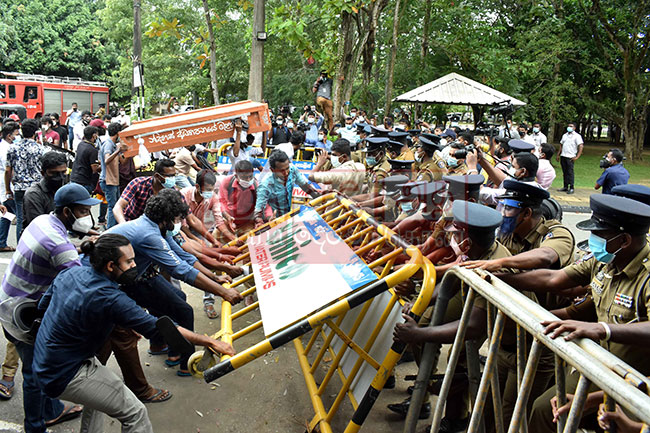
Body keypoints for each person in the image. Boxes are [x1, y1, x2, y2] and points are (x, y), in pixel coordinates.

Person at [32, 234, 235, 433]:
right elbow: (161, 328)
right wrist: (210, 341)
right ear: (110, 266)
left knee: (98, 400)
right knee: (135, 413)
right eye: (128, 261)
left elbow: (43, 307)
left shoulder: (70, 273)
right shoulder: (110, 297)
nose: (134, 266)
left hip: (45, 360)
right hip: (66, 372)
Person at [494, 194, 650, 433]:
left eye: (600, 234)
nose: (593, 240)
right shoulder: (606, 261)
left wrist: (602, 329)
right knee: (545, 410)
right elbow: (555, 278)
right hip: (595, 366)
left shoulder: (646, 275)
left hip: (633, 381)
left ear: (625, 240)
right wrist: (497, 274)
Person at [389, 200, 509, 425]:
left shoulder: (492, 268)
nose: (451, 236)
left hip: (510, 336)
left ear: (467, 241)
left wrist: (418, 334)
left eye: (456, 234)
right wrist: (418, 299)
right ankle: (425, 391)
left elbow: (474, 325)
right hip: (471, 302)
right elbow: (450, 283)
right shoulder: (473, 251)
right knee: (424, 324)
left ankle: (455, 419)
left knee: (463, 364)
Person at [106, 189, 243, 376]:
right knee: (182, 310)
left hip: (141, 275)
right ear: (167, 217)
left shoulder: (158, 228)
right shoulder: (149, 234)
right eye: (178, 218)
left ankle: (163, 346)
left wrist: (215, 278)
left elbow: (184, 257)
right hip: (122, 282)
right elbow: (180, 270)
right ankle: (186, 363)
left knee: (177, 297)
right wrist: (223, 292)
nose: (180, 223)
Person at [0, 183, 101, 432]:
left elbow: (59, 255)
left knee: (40, 365)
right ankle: (35, 426)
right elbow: (79, 286)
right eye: (82, 212)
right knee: (35, 373)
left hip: (11, 298)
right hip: (20, 314)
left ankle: (52, 410)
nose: (87, 217)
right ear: (66, 212)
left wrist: (80, 247)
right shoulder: (57, 243)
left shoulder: (44, 220)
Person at [5, 118, 46, 240]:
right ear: (35, 132)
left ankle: (20, 248)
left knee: (20, 219)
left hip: (19, 187)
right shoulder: (41, 149)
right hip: (37, 188)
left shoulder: (13, 148)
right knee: (38, 219)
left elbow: (8, 170)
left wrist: (8, 189)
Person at [254, 149, 318, 225]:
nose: (286, 173)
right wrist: (263, 221)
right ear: (272, 170)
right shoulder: (265, 185)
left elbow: (305, 186)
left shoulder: (292, 169)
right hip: (272, 222)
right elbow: (258, 211)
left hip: (287, 217)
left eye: (287, 168)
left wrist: (320, 196)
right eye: (281, 171)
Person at [217, 160, 269, 244]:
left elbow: (263, 206)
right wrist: (227, 217)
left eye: (250, 176)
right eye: (244, 178)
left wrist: (262, 220)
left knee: (250, 248)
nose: (248, 180)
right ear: (236, 176)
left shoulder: (257, 187)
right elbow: (222, 202)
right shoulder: (227, 182)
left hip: (247, 223)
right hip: (228, 221)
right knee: (215, 243)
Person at [23, 151, 68, 229]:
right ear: (43, 173)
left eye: (63, 172)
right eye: (54, 173)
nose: (60, 177)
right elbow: (40, 228)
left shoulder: (65, 190)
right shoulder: (34, 195)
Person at [99, 122, 128, 228]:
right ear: (118, 133)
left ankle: (114, 228)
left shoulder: (114, 145)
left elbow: (123, 162)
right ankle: (110, 230)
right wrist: (118, 151)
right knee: (113, 207)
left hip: (113, 180)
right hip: (108, 180)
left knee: (116, 206)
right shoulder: (108, 144)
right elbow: (107, 159)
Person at [0, 121, 20, 251]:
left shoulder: (4, 146)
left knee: (6, 213)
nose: (18, 136)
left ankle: (1, 242)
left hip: (5, 183)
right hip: (7, 183)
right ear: (9, 136)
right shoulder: (6, 149)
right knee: (18, 214)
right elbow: (9, 169)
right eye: (16, 134)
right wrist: (11, 186)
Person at [70, 125, 100, 195]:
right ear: (94, 135)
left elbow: (85, 159)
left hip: (74, 179)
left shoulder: (81, 144)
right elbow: (95, 169)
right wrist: (105, 165)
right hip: (84, 182)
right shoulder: (92, 150)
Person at [558, 121, 583, 194]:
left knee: (570, 172)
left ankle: (571, 187)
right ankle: (565, 186)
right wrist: (558, 154)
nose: (569, 127)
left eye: (571, 126)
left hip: (570, 156)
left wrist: (577, 156)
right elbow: (561, 144)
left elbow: (580, 146)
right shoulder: (565, 135)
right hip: (563, 155)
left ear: (574, 128)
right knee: (564, 172)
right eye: (569, 126)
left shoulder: (577, 136)